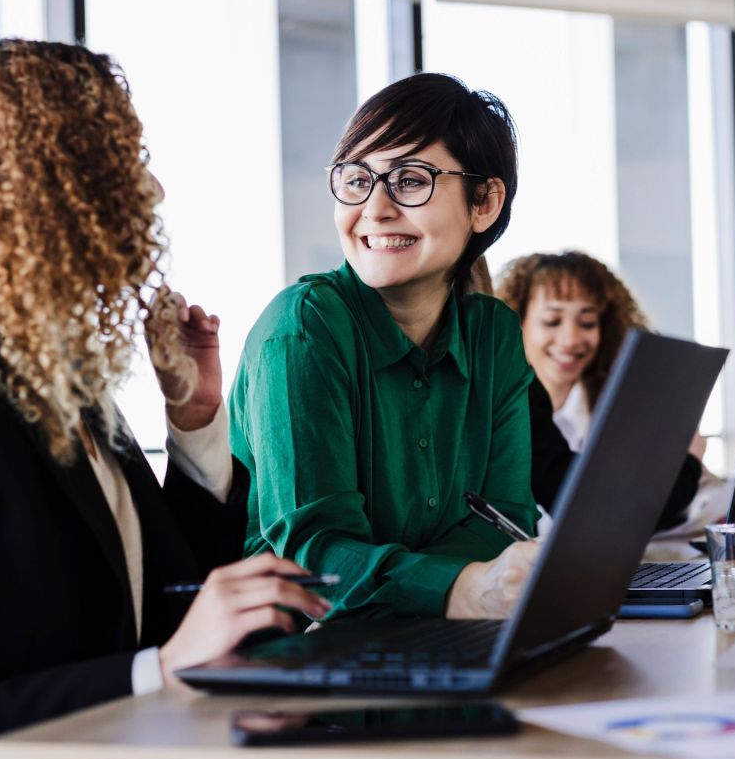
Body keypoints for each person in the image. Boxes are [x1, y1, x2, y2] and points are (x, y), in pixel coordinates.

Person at [0, 39, 329, 759]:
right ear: (49, 188)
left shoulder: (52, 378)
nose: (153, 192)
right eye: (124, 164)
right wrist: (160, 675)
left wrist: (195, 422)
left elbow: (160, 600)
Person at [228, 73, 540, 623]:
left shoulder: (493, 335)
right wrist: (462, 587)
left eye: (410, 180)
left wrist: (453, 586)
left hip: (438, 640)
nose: (374, 209)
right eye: (356, 180)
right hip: (304, 664)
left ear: (484, 202)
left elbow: (505, 520)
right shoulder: (303, 328)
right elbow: (315, 559)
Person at [495, 250, 704, 527]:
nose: (570, 339)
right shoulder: (501, 411)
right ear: (517, 323)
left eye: (587, 323)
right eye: (552, 321)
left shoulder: (623, 411)